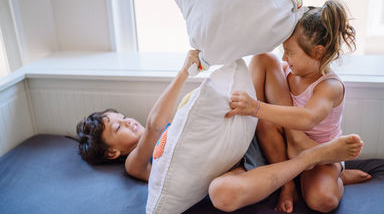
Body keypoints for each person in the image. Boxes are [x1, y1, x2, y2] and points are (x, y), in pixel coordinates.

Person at [77, 49, 364, 212]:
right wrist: (184, 72)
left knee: (264, 59)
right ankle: (307, 162)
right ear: (113, 150)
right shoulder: (135, 163)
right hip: (235, 168)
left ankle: (299, 151)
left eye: (123, 117)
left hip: (241, 137)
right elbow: (153, 124)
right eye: (117, 126)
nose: (128, 121)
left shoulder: (172, 126)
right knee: (220, 193)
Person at [225, 0, 371, 213]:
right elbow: (263, 60)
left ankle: (338, 175)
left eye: (290, 53)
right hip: (287, 144)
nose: (285, 58)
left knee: (323, 201)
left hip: (318, 152)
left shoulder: (329, 86)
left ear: (317, 53)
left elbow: (308, 117)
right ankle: (289, 184)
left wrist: (256, 107)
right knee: (264, 63)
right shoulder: (286, 71)